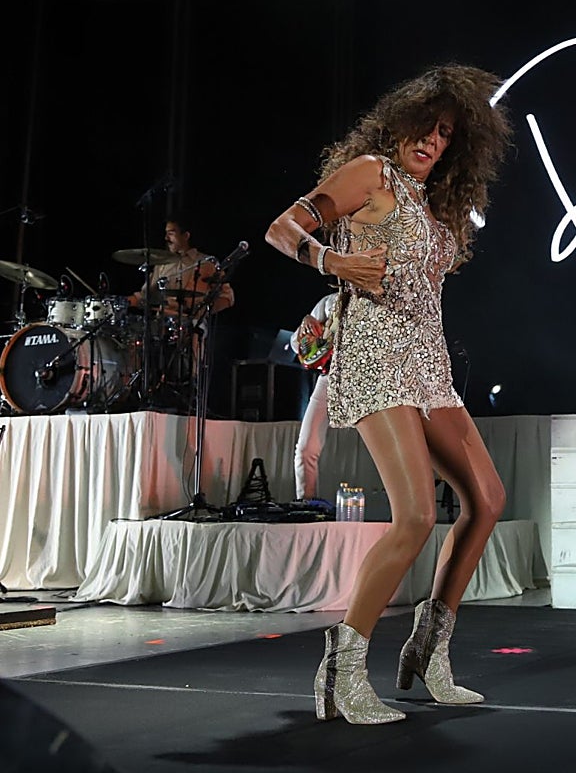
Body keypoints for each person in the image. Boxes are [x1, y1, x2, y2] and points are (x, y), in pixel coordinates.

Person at [265, 64, 512, 725]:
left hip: (429, 365)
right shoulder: (370, 173)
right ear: (398, 122)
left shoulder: (435, 205)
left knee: (486, 499)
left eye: (445, 134)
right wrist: (331, 260)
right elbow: (283, 226)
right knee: (413, 518)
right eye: (424, 126)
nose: (431, 140)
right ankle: (340, 673)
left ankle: (427, 654)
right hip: (376, 356)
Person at [128, 217, 235, 395]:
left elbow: (227, 297)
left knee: (193, 331)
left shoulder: (206, 263)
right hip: (161, 320)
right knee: (134, 332)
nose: (166, 238)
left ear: (186, 235)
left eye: (171, 233)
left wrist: (203, 311)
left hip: (191, 321)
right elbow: (145, 296)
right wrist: (125, 301)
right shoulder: (163, 264)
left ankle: (190, 388)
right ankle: (141, 387)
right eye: (166, 234)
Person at [290, 292, 337, 501]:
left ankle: (404, 513)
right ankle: (306, 505)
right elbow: (295, 343)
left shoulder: (377, 295)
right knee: (306, 448)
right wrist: (305, 325)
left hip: (367, 378)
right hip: (330, 376)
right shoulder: (330, 301)